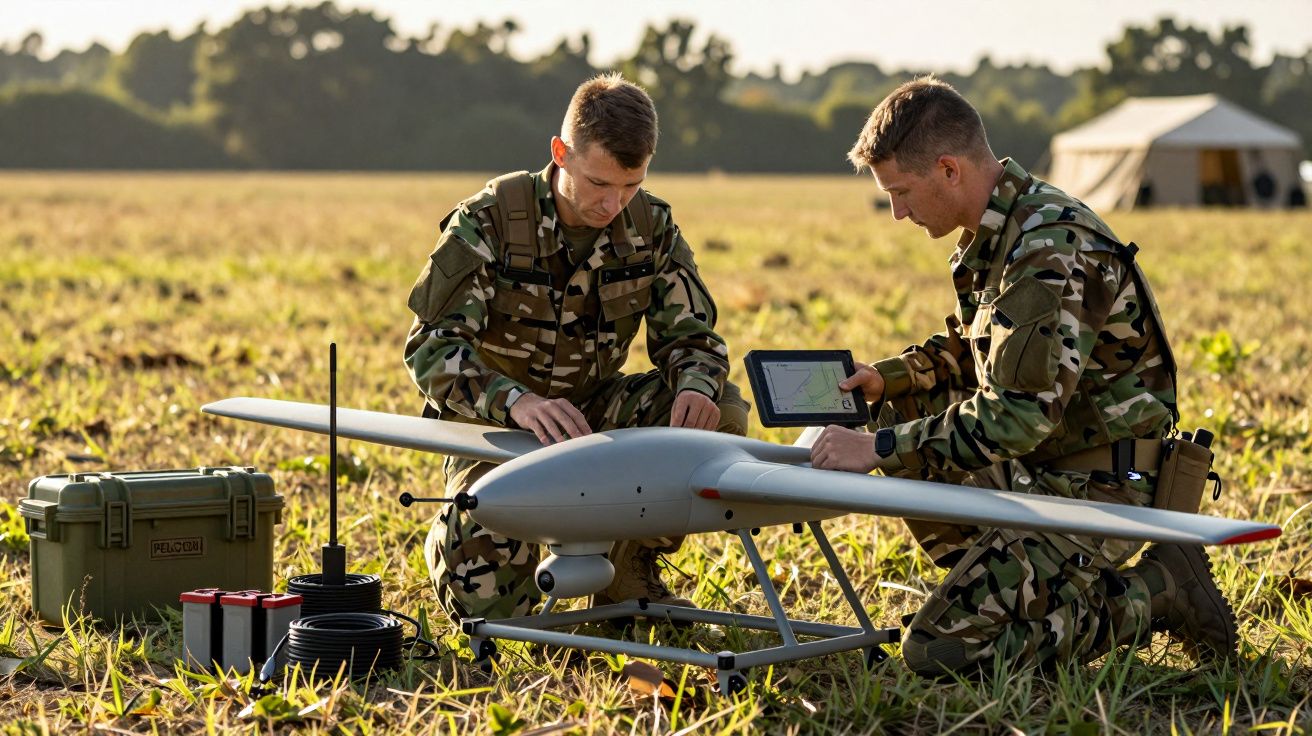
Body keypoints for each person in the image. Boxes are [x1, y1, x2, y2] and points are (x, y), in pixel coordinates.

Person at [810, 77, 1236, 676]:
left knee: (938, 652)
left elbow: (1016, 416)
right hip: (1047, 462)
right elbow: (983, 347)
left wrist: (878, 449)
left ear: (949, 170)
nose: (897, 213)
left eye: (901, 192)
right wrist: (889, 378)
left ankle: (1159, 591)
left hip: (1100, 488)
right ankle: (1004, 582)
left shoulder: (1045, 248)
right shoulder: (1007, 225)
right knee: (900, 402)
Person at [404, 73, 750, 622]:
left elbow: (692, 338)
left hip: (592, 413)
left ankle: (627, 571)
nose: (613, 203)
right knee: (494, 614)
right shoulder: (489, 219)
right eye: (598, 183)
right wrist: (518, 402)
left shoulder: (650, 224)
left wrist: (695, 387)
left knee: (721, 410)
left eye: (631, 185)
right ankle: (455, 526)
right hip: (495, 425)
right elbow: (431, 347)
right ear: (560, 153)